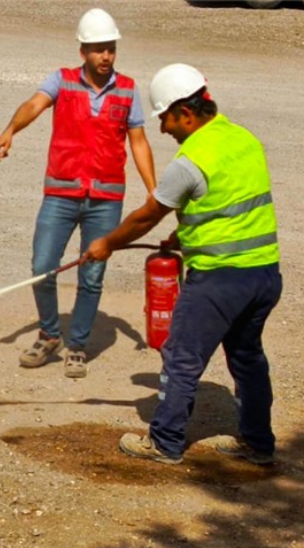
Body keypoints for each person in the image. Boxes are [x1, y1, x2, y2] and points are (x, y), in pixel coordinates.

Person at [83, 63, 282, 465]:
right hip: (264, 275)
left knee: (181, 356)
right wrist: (186, 234)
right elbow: (231, 204)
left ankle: (166, 443)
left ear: (186, 114)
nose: (163, 129)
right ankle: (258, 444)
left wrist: (105, 242)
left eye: (166, 119)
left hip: (220, 280)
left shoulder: (189, 161)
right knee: (247, 357)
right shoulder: (244, 139)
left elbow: (146, 216)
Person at [0, 8, 155, 379]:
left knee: (92, 274)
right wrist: (10, 130)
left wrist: (154, 191)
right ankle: (49, 334)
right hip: (61, 192)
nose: (105, 56)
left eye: (110, 49)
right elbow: (34, 104)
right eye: (98, 49)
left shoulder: (127, 89)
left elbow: (138, 142)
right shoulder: (61, 81)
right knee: (42, 266)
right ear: (83, 52)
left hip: (106, 198)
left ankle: (76, 345)